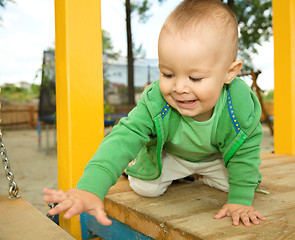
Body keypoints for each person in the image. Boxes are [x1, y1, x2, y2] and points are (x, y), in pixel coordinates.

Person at [44, 0, 266, 227]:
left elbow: (245, 153)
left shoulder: (238, 106)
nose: (179, 87)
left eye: (195, 78)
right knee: (146, 188)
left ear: (229, 73)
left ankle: (201, 174)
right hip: (172, 156)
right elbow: (124, 137)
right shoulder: (157, 101)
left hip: (214, 158)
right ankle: (141, 165)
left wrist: (240, 202)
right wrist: (90, 189)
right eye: (168, 74)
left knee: (246, 183)